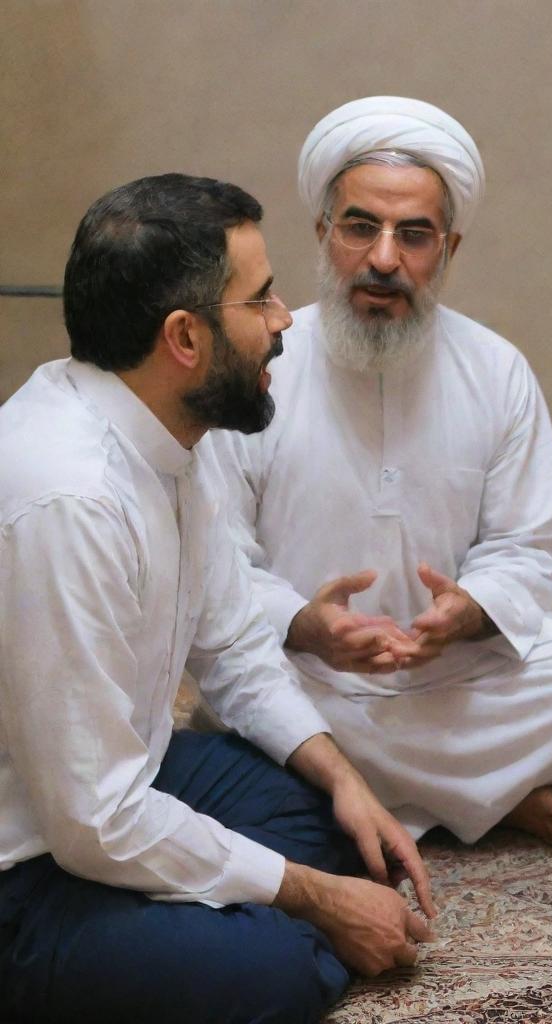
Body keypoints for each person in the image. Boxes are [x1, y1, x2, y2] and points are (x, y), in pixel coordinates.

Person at [0, 174, 437, 1024]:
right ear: (185, 338)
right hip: (27, 863)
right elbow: (93, 821)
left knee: (317, 809)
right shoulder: (70, 499)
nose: (283, 322)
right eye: (262, 299)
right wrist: (315, 901)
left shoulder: (167, 434)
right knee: (266, 973)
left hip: (106, 786)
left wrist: (345, 780)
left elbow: (234, 645)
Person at [202, 96, 552, 850]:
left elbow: (527, 547)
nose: (383, 258)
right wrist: (306, 624)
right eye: (360, 226)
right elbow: (219, 562)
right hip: (309, 670)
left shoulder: (497, 369)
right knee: (238, 694)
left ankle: (368, 786)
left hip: (447, 675)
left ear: (449, 249)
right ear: (322, 232)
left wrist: (468, 611)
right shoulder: (258, 361)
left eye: (413, 235)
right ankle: (490, 796)